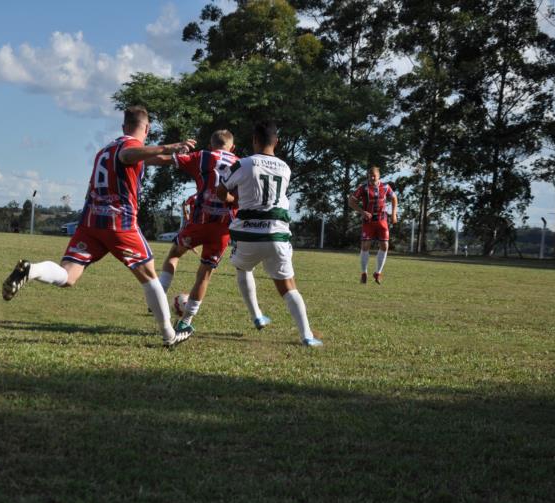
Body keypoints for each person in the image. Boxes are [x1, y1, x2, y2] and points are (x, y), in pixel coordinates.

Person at [1, 105, 196, 347]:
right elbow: (130, 155)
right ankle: (169, 335)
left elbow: (150, 158)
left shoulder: (105, 150)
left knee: (68, 276)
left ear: (124, 126)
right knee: (149, 275)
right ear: (146, 129)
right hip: (118, 222)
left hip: (91, 220)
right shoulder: (129, 147)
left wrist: (181, 159)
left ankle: (31, 271)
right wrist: (170, 146)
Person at [216, 121, 322, 347]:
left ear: (254, 140)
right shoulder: (286, 168)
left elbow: (221, 189)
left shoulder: (243, 164)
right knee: (288, 285)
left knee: (243, 267)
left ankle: (256, 314)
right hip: (276, 234)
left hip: (247, 235)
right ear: (277, 142)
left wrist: (233, 199)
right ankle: (307, 335)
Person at [148, 130, 239, 334]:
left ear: (211, 144)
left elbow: (165, 160)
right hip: (223, 227)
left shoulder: (202, 157)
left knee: (174, 255)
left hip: (199, 221)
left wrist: (140, 158)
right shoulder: (241, 163)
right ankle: (186, 322)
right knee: (205, 274)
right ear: (232, 147)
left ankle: (159, 297)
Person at [348, 166, 398, 284]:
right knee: (365, 246)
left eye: (374, 175)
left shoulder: (385, 187)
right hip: (368, 221)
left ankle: (378, 273)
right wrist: (362, 212)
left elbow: (394, 198)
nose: (371, 177)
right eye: (369, 175)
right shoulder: (363, 188)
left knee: (385, 245)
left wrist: (394, 214)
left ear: (379, 176)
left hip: (382, 220)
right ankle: (364, 273)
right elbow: (351, 201)